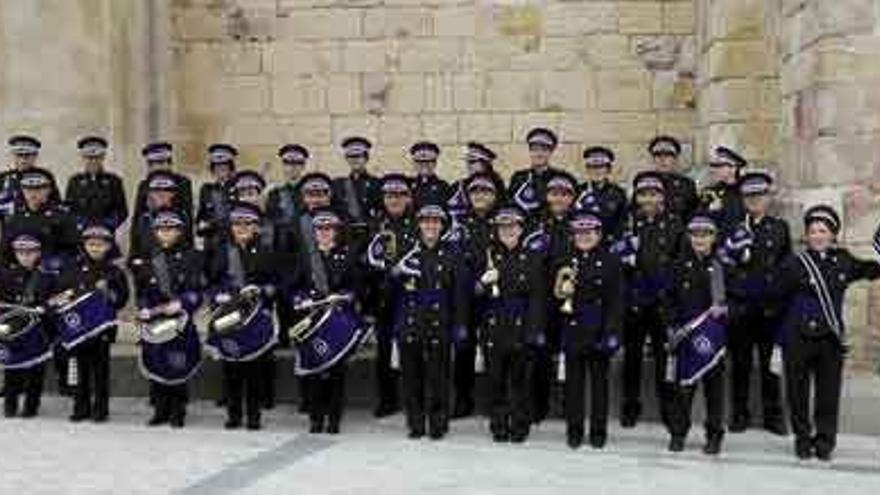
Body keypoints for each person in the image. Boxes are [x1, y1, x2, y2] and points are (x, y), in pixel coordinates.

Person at [775, 205, 880, 461]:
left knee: (828, 394)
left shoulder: (844, 260)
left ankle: (825, 441)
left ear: (833, 234)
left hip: (829, 339)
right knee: (797, 393)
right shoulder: (794, 263)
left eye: (823, 230)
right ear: (807, 235)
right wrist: (781, 340)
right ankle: (802, 438)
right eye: (813, 231)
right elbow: (777, 300)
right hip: (797, 337)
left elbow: (871, 270)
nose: (818, 235)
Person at [392, 203, 467, 440]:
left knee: (439, 378)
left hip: (439, 321)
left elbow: (459, 293)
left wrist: (460, 324)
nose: (430, 226)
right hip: (411, 321)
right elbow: (393, 293)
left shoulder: (453, 253)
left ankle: (437, 423)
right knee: (412, 379)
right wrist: (392, 275)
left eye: (435, 222)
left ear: (442, 225)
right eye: (426, 222)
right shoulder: (407, 251)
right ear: (419, 225)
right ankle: (415, 424)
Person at [724, 170, 790, 435]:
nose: (754, 200)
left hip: (770, 309)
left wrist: (783, 303)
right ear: (742, 199)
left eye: (759, 195)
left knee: (769, 366)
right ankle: (739, 414)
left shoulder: (779, 228)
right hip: (741, 307)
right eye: (749, 196)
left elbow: (787, 267)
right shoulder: (734, 229)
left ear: (768, 197)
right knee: (740, 364)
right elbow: (722, 266)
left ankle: (772, 416)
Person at [205, 201, 281, 431]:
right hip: (229, 316)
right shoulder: (223, 251)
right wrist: (218, 296)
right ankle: (234, 414)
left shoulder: (267, 252)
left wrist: (266, 291)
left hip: (256, 318)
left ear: (256, 227)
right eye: (237, 224)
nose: (241, 228)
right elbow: (212, 282)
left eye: (247, 224)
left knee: (254, 371)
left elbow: (276, 283)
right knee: (231, 368)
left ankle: (254, 416)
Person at [474, 204, 546, 443]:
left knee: (520, 381)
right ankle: (498, 424)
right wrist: (482, 284)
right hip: (493, 326)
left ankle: (520, 424)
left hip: (521, 325)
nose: (508, 230)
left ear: (521, 229)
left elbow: (538, 297)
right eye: (503, 227)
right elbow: (470, 293)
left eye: (512, 226)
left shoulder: (533, 258)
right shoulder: (485, 255)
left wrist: (535, 329)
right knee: (495, 381)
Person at [290, 208, 364, 434]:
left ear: (336, 232)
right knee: (314, 370)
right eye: (319, 229)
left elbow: (357, 288)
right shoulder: (306, 258)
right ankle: (315, 417)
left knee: (335, 371)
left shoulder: (347, 256)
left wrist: (345, 297)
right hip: (313, 321)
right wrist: (301, 299)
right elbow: (293, 286)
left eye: (328, 228)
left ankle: (333, 418)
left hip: (337, 320)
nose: (323, 233)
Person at [553, 211, 623, 449]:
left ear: (599, 234)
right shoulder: (564, 260)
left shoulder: (612, 261)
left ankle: (598, 431)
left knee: (599, 386)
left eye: (588, 232)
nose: (583, 237)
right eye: (579, 233)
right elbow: (556, 296)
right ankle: (574, 430)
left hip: (600, 330)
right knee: (573, 385)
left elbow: (616, 301)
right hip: (572, 329)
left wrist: (612, 332)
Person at [620, 171, 684, 429]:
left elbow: (680, 263)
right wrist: (625, 258)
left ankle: (667, 408)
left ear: (662, 197)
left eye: (653, 194)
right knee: (632, 358)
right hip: (635, 301)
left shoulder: (675, 224)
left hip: (662, 301)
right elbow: (616, 261)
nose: (648, 199)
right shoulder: (628, 223)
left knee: (663, 358)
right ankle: (630, 406)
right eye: (643, 194)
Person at [131, 208, 203, 428]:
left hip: (179, 319)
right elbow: (142, 291)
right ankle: (160, 410)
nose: (166, 233)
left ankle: (178, 411)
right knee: (156, 363)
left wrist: (183, 303)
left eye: (171, 229)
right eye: (162, 229)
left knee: (178, 365)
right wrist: (143, 309)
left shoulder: (192, 257)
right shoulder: (147, 259)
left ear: (179, 231)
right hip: (155, 321)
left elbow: (197, 290)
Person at [664, 214, 728, 455]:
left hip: (715, 338)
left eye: (706, 234)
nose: (700, 239)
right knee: (683, 390)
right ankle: (678, 434)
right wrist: (671, 326)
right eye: (695, 234)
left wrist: (727, 309)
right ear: (689, 237)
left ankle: (714, 436)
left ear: (714, 237)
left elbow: (737, 299)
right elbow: (668, 299)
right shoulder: (678, 266)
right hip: (687, 335)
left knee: (715, 392)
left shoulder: (723, 266)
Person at [55, 223, 129, 423]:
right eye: (91, 244)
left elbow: (122, 298)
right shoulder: (72, 269)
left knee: (100, 371)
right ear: (84, 245)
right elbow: (60, 294)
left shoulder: (114, 272)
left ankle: (101, 409)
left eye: (100, 244)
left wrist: (109, 293)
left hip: (102, 329)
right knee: (79, 369)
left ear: (108, 246)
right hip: (78, 328)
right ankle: (81, 406)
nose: (95, 248)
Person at [365, 173, 418, 418]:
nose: (394, 200)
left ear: (408, 198)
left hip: (411, 298)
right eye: (389, 196)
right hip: (384, 297)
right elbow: (365, 259)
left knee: (413, 350)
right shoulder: (376, 224)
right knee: (384, 352)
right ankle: (387, 399)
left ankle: (414, 399)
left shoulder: (418, 224)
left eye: (399, 195)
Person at [0, 235, 56, 418]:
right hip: (14, 329)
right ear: (15, 254)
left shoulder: (46, 277)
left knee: (36, 371)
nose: (25, 256)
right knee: (12, 369)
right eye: (21, 253)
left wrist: (45, 307)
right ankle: (10, 405)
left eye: (30, 253)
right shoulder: (5, 276)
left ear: (38, 253)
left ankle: (31, 406)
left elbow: (56, 299)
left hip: (37, 330)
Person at [64, 136, 128, 233]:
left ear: (103, 157)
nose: (93, 162)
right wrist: (81, 225)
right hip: (81, 233)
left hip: (106, 233)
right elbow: (69, 209)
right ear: (83, 158)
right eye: (89, 158)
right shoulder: (75, 181)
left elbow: (122, 210)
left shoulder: (114, 181)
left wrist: (107, 225)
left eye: (97, 158)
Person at [333, 136, 380, 252]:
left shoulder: (376, 184)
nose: (355, 160)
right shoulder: (338, 185)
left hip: (369, 241)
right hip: (346, 241)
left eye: (359, 156)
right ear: (347, 159)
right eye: (351, 156)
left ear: (366, 158)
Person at [574, 146, 628, 246]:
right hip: (582, 244)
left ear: (608, 170)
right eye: (593, 167)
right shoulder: (578, 191)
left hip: (608, 245)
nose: (597, 171)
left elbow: (622, 222)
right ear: (587, 169)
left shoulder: (618, 193)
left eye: (601, 167)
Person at [0, 134, 61, 215]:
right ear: (13, 156)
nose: (22, 160)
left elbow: (55, 203)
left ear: (35, 156)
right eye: (19, 155)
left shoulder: (44, 176)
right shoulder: (4, 177)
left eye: (27, 156)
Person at [132, 142, 193, 223]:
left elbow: (187, 213)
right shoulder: (144, 185)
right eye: (154, 164)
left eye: (161, 163)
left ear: (169, 163)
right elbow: (138, 215)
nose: (158, 167)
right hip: (148, 232)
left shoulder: (182, 183)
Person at [195, 143, 237, 252]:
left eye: (224, 166)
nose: (220, 170)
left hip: (232, 242)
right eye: (217, 167)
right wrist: (201, 226)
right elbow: (201, 216)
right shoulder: (207, 190)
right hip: (211, 243)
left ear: (230, 168)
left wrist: (212, 224)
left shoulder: (238, 188)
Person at [509, 128, 562, 214]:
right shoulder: (519, 178)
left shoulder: (560, 177)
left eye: (544, 150)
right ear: (530, 151)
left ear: (551, 152)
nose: (539, 154)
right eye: (535, 149)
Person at [648, 136, 698, 221]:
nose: (662, 160)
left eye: (668, 155)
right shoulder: (645, 182)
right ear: (653, 159)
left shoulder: (686, 185)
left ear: (676, 158)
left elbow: (692, 215)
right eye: (658, 155)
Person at [699, 146, 746, 234]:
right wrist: (710, 211)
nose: (713, 170)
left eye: (719, 166)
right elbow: (699, 220)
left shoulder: (745, 191)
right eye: (713, 166)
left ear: (733, 168)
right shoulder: (710, 193)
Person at [410, 141, 451, 206]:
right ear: (414, 164)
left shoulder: (444, 187)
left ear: (435, 163)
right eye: (419, 162)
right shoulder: (408, 186)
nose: (424, 165)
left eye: (428, 162)